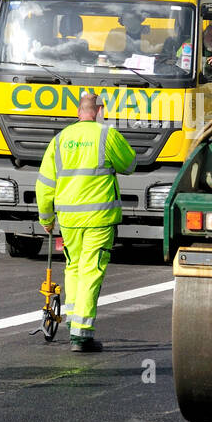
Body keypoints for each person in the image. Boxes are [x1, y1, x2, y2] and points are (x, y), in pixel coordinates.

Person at [36, 92, 136, 351]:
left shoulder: (59, 140)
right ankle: (81, 334)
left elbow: (45, 184)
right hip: (99, 218)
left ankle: (73, 320)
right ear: (100, 109)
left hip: (69, 218)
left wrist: (46, 218)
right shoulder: (106, 135)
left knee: (74, 268)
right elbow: (130, 164)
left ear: (78, 111)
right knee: (92, 270)